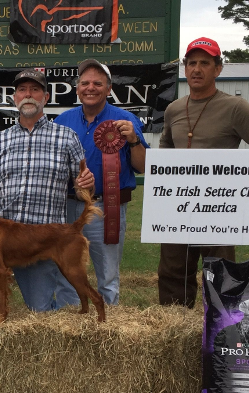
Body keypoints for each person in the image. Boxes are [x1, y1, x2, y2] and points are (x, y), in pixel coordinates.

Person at [0, 69, 95, 312]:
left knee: (40, 311)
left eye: (35, 90)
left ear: (46, 97)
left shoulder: (67, 138)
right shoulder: (0, 141)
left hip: (41, 241)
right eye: (22, 90)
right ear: (15, 98)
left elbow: (80, 189)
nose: (28, 95)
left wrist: (86, 184)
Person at [158, 37, 249, 308]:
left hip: (219, 206)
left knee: (219, 272)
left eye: (205, 63)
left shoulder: (234, 107)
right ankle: (173, 329)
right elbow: (166, 151)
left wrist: (238, 177)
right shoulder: (174, 109)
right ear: (184, 68)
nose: (197, 69)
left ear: (218, 69)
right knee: (172, 271)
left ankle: (220, 330)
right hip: (178, 205)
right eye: (191, 63)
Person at [53, 59, 149, 306]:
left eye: (98, 83)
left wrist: (134, 141)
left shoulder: (125, 120)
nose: (90, 87)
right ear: (77, 89)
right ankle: (70, 325)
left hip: (107, 207)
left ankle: (108, 327)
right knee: (66, 271)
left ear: (109, 89)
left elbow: (143, 166)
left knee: (107, 275)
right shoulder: (62, 121)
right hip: (67, 207)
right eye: (84, 83)